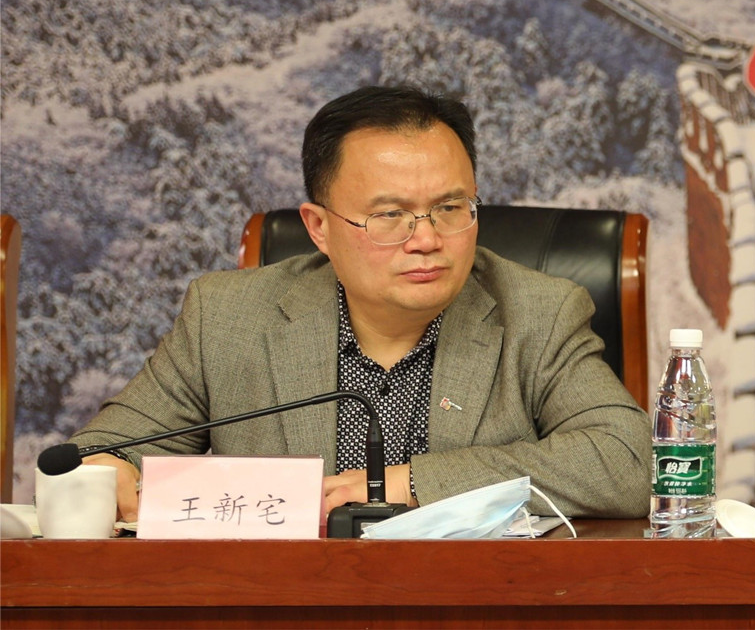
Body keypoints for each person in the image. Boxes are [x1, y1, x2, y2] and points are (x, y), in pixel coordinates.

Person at [72, 85, 651, 522]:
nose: (426, 238)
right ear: (319, 227)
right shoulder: (227, 317)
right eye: (390, 215)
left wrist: (413, 483)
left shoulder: (539, 314)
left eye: (451, 208)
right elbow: (97, 452)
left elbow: (630, 463)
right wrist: (102, 469)